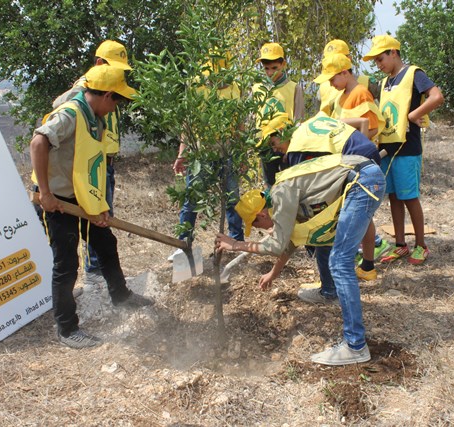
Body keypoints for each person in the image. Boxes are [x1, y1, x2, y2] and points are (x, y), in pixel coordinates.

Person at [215, 149, 385, 366]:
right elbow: (291, 240)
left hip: (362, 182)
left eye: (255, 225)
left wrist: (237, 245)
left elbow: (277, 245)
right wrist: (273, 274)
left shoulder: (281, 195)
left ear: (261, 215)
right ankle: (330, 291)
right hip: (364, 177)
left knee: (340, 262)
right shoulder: (282, 197)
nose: (258, 229)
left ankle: (356, 346)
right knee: (325, 246)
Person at [30, 65, 154, 349]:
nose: (116, 107)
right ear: (107, 95)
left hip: (81, 200)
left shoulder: (95, 118)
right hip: (56, 202)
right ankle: (67, 328)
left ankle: (121, 296)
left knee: (106, 244)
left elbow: (91, 164)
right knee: (67, 264)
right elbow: (38, 142)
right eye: (117, 101)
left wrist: (100, 205)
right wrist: (46, 194)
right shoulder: (71, 114)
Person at [52, 40, 132, 284]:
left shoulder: (110, 88)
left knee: (103, 230)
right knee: (72, 253)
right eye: (114, 67)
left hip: (97, 168)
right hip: (78, 177)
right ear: (99, 64)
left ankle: (117, 290)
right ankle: (94, 271)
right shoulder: (85, 91)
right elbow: (54, 121)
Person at [362, 34, 445, 265]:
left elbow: (436, 96)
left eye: (381, 59)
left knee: (410, 197)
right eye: (376, 62)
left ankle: (421, 245)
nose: (379, 65)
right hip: (387, 147)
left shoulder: (414, 74)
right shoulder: (386, 81)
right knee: (394, 197)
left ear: (394, 53)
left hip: (408, 147)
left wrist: (413, 115)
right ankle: (400, 245)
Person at [313, 53, 387, 280]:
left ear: (345, 73)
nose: (330, 84)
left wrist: (355, 154)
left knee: (362, 214)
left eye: (333, 78)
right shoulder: (342, 96)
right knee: (359, 214)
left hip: (360, 164)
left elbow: (371, 128)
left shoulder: (360, 94)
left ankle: (367, 265)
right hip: (345, 162)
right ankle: (364, 263)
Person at [168, 54, 244, 261]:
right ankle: (183, 243)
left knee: (232, 198)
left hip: (228, 151)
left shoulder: (235, 88)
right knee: (192, 198)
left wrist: (241, 154)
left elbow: (240, 125)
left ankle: (238, 243)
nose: (219, 83)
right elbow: (189, 123)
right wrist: (182, 153)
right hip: (201, 151)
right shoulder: (196, 85)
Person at [253, 42, 305, 187]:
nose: (270, 73)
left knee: (289, 186)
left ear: (283, 64)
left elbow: (298, 120)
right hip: (265, 146)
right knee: (270, 185)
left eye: (274, 68)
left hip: (286, 147)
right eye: (266, 69)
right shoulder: (257, 88)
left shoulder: (294, 88)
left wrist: (292, 148)